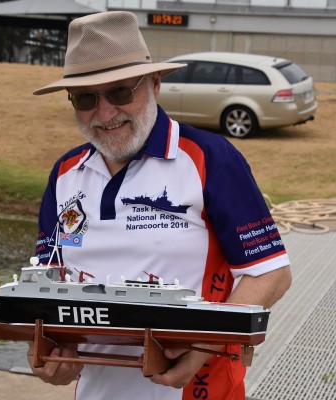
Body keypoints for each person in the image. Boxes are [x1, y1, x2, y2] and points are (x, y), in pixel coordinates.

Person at [29, 11, 291, 400]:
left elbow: (270, 273)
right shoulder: (66, 171)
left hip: (201, 391)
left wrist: (204, 347)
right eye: (86, 98)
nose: (104, 113)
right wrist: (48, 351)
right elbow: (47, 285)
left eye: (120, 91)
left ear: (154, 84)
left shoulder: (211, 158)